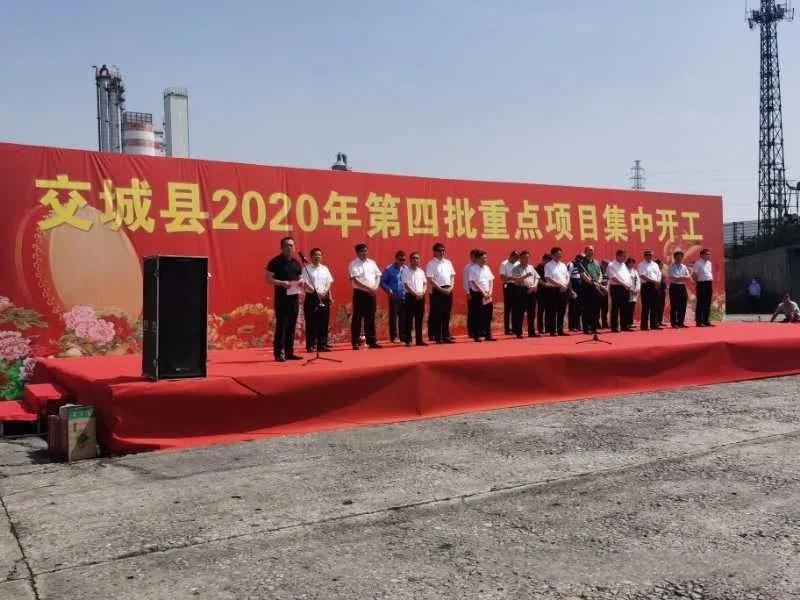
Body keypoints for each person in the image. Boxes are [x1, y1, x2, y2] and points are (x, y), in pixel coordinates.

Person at [265, 236, 303, 362]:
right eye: (286, 245)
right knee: (281, 326)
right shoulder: (275, 262)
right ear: (281, 247)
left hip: (294, 299)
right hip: (282, 300)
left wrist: (301, 282)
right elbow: (268, 278)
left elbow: (300, 277)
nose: (289, 248)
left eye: (291, 245)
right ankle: (278, 353)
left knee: (292, 326)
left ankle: (289, 352)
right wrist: (281, 283)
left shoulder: (296, 263)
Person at [349, 243, 382, 350]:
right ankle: (355, 342)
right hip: (360, 293)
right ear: (357, 252)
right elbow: (355, 280)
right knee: (357, 318)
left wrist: (375, 287)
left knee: (370, 317)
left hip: (372, 293)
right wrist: (368, 288)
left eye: (365, 251)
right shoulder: (353, 264)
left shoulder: (372, 263)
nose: (364, 253)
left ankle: (371, 341)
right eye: (362, 251)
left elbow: (378, 275)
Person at [302, 247, 334, 353]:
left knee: (323, 321)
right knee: (311, 322)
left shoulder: (325, 269)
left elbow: (329, 282)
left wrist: (326, 293)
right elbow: (305, 283)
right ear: (311, 257)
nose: (317, 257)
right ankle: (311, 345)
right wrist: (316, 292)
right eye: (315, 255)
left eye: (319, 255)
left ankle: (322, 344)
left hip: (324, 297)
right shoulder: (306, 269)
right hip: (312, 297)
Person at [426, 242, 457, 344]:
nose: (442, 252)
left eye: (443, 250)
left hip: (448, 290)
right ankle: (438, 337)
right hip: (437, 291)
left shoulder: (448, 262)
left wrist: (451, 287)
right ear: (434, 252)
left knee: (446, 314)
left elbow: (452, 276)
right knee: (437, 315)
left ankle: (446, 336)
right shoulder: (431, 264)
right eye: (440, 250)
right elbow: (430, 279)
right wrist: (441, 289)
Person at [510, 250, 540, 338]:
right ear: (520, 258)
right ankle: (518, 332)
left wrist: (534, 286)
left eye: (527, 257)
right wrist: (526, 275)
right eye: (524, 257)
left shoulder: (531, 267)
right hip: (521, 290)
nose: (526, 259)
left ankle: (532, 332)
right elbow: (517, 280)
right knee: (520, 312)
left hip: (531, 290)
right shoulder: (516, 268)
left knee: (532, 312)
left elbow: (537, 277)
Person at [467, 250, 496, 341]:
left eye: (486, 258)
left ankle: (488, 335)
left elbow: (491, 280)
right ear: (478, 259)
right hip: (478, 294)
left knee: (488, 314)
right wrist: (483, 292)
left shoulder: (487, 268)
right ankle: (477, 335)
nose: (485, 260)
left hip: (487, 294)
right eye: (483, 258)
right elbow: (474, 282)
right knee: (477, 315)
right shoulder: (472, 268)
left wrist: (490, 292)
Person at [380, 251, 408, 343]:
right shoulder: (389, 269)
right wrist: (388, 289)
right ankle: (394, 337)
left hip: (404, 296)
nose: (402, 261)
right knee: (393, 318)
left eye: (404, 260)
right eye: (400, 259)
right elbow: (382, 281)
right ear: (396, 259)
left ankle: (403, 336)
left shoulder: (406, 269)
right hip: (394, 297)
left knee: (403, 318)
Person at [402, 252, 429, 345]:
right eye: (414, 258)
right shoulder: (405, 271)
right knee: (409, 319)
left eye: (417, 258)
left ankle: (419, 340)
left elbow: (425, 283)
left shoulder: (421, 271)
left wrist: (423, 292)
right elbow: (406, 285)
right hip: (410, 297)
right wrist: (415, 294)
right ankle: (408, 340)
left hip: (421, 297)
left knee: (419, 319)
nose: (416, 260)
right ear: (410, 260)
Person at [543, 247, 570, 336]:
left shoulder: (563, 265)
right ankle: (552, 330)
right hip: (553, 290)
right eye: (557, 254)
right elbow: (548, 278)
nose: (559, 256)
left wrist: (565, 285)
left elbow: (567, 276)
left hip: (564, 289)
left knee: (562, 311)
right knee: (553, 311)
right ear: (552, 255)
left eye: (560, 254)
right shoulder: (548, 265)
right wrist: (560, 285)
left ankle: (560, 330)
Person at [606, 249, 633, 332]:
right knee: (615, 308)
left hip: (626, 288)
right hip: (617, 288)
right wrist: (624, 284)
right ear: (617, 256)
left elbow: (627, 276)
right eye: (623, 256)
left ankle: (624, 326)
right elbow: (614, 278)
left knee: (625, 307)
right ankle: (614, 327)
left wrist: (629, 285)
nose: (624, 258)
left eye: (625, 256)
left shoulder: (623, 265)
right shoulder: (611, 265)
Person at [579, 246, 603, 334]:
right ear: (585, 252)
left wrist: (598, 282)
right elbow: (583, 275)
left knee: (595, 308)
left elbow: (600, 273)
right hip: (587, 288)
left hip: (596, 287)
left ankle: (594, 328)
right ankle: (586, 328)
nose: (591, 252)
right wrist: (592, 283)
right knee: (587, 309)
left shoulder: (596, 262)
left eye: (592, 250)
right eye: (589, 250)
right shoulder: (582, 263)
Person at [637, 249, 662, 331]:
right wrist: (654, 281)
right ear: (644, 256)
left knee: (655, 306)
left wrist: (658, 282)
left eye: (650, 255)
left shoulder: (655, 264)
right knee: (646, 306)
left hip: (655, 285)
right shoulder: (641, 264)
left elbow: (659, 274)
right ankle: (644, 326)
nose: (649, 256)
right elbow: (642, 276)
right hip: (646, 286)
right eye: (647, 255)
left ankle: (654, 324)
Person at [692, 248, 714, 327]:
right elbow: (694, 275)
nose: (709, 256)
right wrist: (698, 282)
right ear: (701, 255)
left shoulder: (709, 263)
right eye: (707, 254)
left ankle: (706, 320)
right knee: (700, 302)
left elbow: (708, 273)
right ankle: (699, 321)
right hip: (701, 283)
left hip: (709, 283)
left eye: (709, 254)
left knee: (708, 302)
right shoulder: (698, 263)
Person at [499, 250, 519, 335]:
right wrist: (512, 278)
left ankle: (515, 328)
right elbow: (502, 277)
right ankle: (507, 329)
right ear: (511, 256)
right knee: (508, 308)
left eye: (518, 258)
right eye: (516, 258)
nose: (517, 259)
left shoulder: (518, 263)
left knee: (516, 308)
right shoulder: (504, 264)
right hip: (508, 286)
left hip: (517, 286)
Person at [669, 250, 690, 328]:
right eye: (677, 257)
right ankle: (674, 323)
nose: (679, 258)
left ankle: (681, 322)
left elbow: (688, 276)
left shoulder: (684, 266)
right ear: (674, 257)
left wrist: (681, 277)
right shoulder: (671, 266)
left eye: (681, 257)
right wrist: (683, 277)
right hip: (674, 287)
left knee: (683, 304)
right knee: (674, 305)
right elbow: (674, 278)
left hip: (682, 287)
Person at [463, 249, 480, 340]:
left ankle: (479, 331)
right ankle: (471, 331)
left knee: (480, 312)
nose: (475, 258)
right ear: (471, 256)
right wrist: (467, 292)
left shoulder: (481, 266)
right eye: (474, 256)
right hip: (471, 291)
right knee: (472, 312)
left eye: (477, 256)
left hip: (480, 291)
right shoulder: (468, 267)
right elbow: (465, 281)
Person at [567, 253, 584, 332]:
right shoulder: (571, 264)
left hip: (580, 289)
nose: (582, 260)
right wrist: (571, 290)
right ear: (577, 258)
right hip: (573, 288)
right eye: (581, 258)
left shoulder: (582, 266)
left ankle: (578, 325)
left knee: (579, 308)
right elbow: (568, 278)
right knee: (573, 308)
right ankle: (572, 326)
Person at [535, 253, 550, 334]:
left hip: (549, 292)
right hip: (541, 292)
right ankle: (540, 328)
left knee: (548, 310)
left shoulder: (549, 268)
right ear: (544, 259)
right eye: (548, 261)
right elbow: (538, 279)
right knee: (541, 310)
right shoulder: (538, 268)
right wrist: (546, 284)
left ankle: (548, 328)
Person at [624, 257, 641, 330]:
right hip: (627, 291)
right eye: (630, 263)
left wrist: (637, 289)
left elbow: (638, 281)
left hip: (634, 292)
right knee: (626, 308)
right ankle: (625, 323)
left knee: (632, 308)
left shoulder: (635, 271)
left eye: (632, 263)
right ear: (627, 263)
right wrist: (630, 289)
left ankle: (630, 322)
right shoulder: (624, 271)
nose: (631, 264)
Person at [655, 259, 667, 328]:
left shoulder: (661, 271)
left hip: (662, 290)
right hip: (657, 290)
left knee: (661, 306)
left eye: (662, 264)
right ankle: (656, 321)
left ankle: (660, 320)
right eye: (661, 264)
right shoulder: (655, 272)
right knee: (657, 306)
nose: (662, 265)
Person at [598, 259, 610, 329]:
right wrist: (603, 288)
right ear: (602, 264)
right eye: (605, 265)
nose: (606, 266)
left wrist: (607, 288)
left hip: (606, 292)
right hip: (599, 291)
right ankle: (597, 324)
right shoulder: (598, 271)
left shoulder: (607, 272)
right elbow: (596, 282)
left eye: (607, 265)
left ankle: (605, 323)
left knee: (605, 309)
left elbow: (608, 281)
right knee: (598, 309)